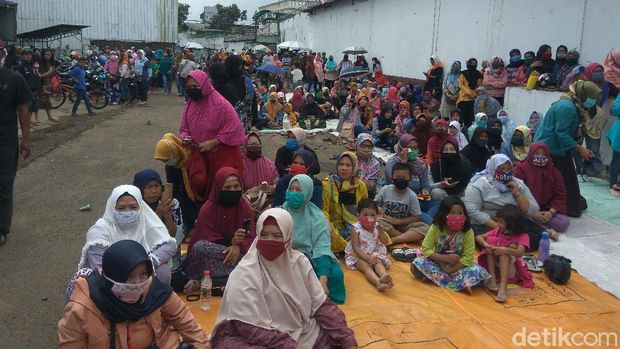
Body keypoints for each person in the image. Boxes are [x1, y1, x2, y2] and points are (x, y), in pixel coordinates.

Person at [210, 208, 357, 348]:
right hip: (251, 336)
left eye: (277, 235)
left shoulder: (300, 263)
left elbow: (322, 307)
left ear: (288, 236)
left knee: (333, 338)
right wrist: (290, 346)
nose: (269, 240)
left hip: (302, 332)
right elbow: (248, 328)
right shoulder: (245, 273)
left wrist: (347, 339)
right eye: (264, 235)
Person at [59, 240, 209, 348]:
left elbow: (187, 323)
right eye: (129, 277)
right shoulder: (81, 309)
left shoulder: (155, 290)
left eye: (143, 274)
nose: (137, 283)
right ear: (112, 276)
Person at [74, 185, 177, 285]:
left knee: (163, 271)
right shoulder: (100, 229)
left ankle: (155, 301)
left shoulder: (146, 222)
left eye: (133, 207)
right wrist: (127, 269)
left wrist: (149, 261)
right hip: (110, 279)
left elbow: (170, 245)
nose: (127, 212)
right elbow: (99, 266)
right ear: (112, 208)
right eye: (121, 208)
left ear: (140, 207)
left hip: (142, 273)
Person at [534, 80, 600, 217]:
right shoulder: (566, 107)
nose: (593, 101)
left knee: (568, 180)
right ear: (584, 94)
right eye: (592, 98)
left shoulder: (576, 105)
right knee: (559, 180)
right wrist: (579, 149)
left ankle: (564, 204)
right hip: (550, 148)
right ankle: (554, 207)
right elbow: (561, 133)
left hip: (560, 148)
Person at [183, 167, 256, 289]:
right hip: (212, 256)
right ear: (218, 188)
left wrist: (238, 246)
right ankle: (235, 277)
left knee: (254, 257)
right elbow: (204, 241)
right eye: (227, 187)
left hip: (237, 255)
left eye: (236, 186)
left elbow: (251, 238)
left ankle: (214, 280)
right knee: (201, 248)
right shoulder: (208, 209)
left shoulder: (244, 207)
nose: (232, 190)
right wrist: (231, 242)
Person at [179, 69, 246, 198]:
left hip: (222, 156)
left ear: (205, 85)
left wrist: (214, 142)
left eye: (195, 86)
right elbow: (184, 128)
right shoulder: (190, 105)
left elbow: (235, 128)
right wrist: (186, 138)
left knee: (221, 191)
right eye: (189, 87)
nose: (192, 89)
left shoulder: (220, 104)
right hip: (199, 155)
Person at [283, 175, 346, 303]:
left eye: (299, 190)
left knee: (335, 274)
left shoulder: (317, 216)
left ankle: (317, 293)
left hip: (311, 257)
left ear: (308, 193)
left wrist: (323, 281)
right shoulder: (280, 212)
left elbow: (322, 247)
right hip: (285, 257)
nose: (293, 193)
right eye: (291, 189)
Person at [411, 196, 489, 293]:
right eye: (452, 213)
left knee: (479, 271)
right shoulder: (436, 227)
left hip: (458, 266)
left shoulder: (467, 231)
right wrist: (444, 259)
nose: (457, 216)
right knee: (418, 263)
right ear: (443, 214)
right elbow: (426, 249)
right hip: (438, 262)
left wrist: (450, 270)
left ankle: (439, 279)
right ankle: (462, 283)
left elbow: (468, 257)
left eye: (460, 213)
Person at [463, 155, 542, 246]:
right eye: (502, 169)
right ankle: (513, 245)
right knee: (483, 239)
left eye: (508, 169)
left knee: (539, 236)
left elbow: (535, 210)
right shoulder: (479, 184)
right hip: (489, 224)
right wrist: (499, 227)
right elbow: (472, 210)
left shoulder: (518, 183)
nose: (506, 172)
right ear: (493, 168)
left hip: (514, 225)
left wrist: (517, 193)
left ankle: (509, 245)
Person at [0, 54, 32, 245]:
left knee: (3, 185)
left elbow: (23, 109)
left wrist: (26, 139)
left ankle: (2, 228)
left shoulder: (13, 78)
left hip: (5, 142)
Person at [475, 204, 534, 303]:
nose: (498, 224)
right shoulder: (499, 231)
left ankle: (503, 287)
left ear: (511, 224)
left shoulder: (522, 236)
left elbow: (519, 253)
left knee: (504, 254)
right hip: (497, 267)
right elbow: (478, 237)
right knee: (491, 241)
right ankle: (492, 278)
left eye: (501, 222)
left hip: (512, 270)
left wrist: (505, 250)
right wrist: (486, 245)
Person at [514, 142, 570, 234]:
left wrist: (550, 213)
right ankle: (539, 227)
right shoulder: (520, 169)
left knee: (563, 223)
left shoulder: (553, 171)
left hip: (546, 210)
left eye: (543, 154)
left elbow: (560, 195)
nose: (540, 156)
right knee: (514, 218)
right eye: (537, 153)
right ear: (531, 154)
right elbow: (516, 192)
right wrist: (532, 213)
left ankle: (536, 226)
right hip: (526, 209)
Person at [385, 134, 438, 223]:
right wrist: (404, 162)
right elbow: (398, 184)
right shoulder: (393, 163)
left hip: (417, 199)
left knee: (438, 204)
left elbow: (425, 185)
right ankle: (423, 219)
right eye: (410, 148)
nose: (413, 151)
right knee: (429, 222)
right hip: (400, 200)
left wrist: (425, 191)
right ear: (402, 148)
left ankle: (420, 217)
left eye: (415, 148)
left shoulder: (420, 164)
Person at [322, 151, 369, 252]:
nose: (343, 168)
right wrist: (334, 234)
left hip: (354, 228)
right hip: (334, 228)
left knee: (378, 229)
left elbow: (365, 211)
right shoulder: (327, 184)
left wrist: (357, 232)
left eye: (348, 165)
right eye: (341, 164)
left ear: (354, 168)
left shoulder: (360, 185)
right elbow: (324, 212)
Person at [345, 199, 393, 291]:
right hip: (357, 255)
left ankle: (383, 276)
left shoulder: (377, 226)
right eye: (365, 215)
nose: (369, 218)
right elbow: (355, 247)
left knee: (378, 262)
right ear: (358, 215)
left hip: (372, 252)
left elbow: (385, 242)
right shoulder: (355, 228)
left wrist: (381, 231)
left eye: (372, 215)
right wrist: (367, 259)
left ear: (377, 216)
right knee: (366, 267)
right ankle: (378, 283)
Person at [376, 162, 429, 244]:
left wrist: (397, 221)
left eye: (404, 177)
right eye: (398, 177)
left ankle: (393, 240)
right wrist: (383, 215)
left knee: (425, 227)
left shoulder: (412, 195)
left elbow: (416, 217)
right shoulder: (385, 190)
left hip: (403, 225)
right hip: (386, 223)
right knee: (376, 221)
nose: (400, 179)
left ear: (410, 179)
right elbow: (374, 206)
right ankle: (407, 238)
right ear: (392, 178)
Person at [133, 169, 183, 243]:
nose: (154, 191)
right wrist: (157, 215)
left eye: (157, 186)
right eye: (149, 187)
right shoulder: (134, 206)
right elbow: (141, 236)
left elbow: (173, 236)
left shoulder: (172, 203)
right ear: (140, 189)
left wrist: (167, 216)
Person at [15, 48, 42, 126]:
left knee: (32, 108)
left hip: (34, 90)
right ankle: (26, 124)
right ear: (22, 56)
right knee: (26, 109)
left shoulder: (32, 66)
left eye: (30, 55)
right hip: (26, 92)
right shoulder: (19, 67)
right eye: (26, 54)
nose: (28, 56)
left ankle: (29, 121)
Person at [457, 58, 483, 130]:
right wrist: (470, 93)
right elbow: (462, 85)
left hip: (474, 99)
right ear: (468, 64)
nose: (473, 65)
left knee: (471, 117)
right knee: (462, 116)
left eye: (475, 64)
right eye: (472, 63)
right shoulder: (463, 74)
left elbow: (479, 85)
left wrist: (474, 94)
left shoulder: (478, 74)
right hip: (464, 98)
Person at [37, 48, 57, 121]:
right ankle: (36, 118)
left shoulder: (52, 62)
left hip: (47, 83)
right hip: (40, 83)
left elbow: (50, 71)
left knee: (47, 101)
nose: (47, 56)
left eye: (49, 54)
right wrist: (40, 76)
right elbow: (37, 71)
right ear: (43, 55)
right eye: (46, 54)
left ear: (51, 55)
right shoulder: (39, 62)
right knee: (38, 101)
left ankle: (49, 117)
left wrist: (41, 75)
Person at [609, 97, 620, 197]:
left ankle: (615, 185)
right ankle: (613, 185)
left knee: (615, 161)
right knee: (616, 161)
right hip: (618, 134)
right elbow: (614, 110)